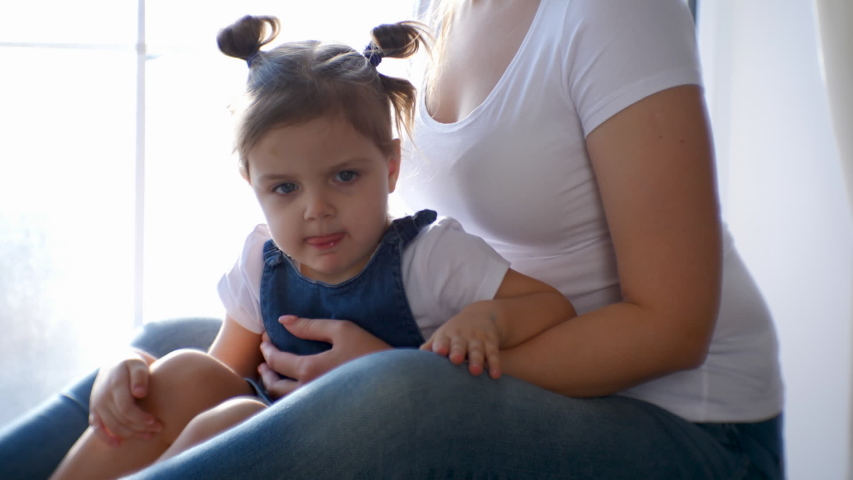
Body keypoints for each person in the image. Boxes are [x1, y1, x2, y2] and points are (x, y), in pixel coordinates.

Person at [0, 1, 785, 479]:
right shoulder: (434, 14)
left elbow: (674, 328)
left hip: (683, 431)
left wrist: (392, 370)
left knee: (389, 397)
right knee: (164, 356)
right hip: (459, 348)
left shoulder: (612, 13)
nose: (315, 205)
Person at [45, 13, 576, 480]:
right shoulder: (262, 261)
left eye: (344, 176)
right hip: (274, 445)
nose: (316, 208)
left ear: (390, 167)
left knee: (239, 420)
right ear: (249, 181)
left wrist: (489, 319)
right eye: (285, 188)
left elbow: (552, 307)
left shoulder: (430, 258)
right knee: (183, 375)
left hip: (380, 453)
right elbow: (217, 378)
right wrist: (129, 366)